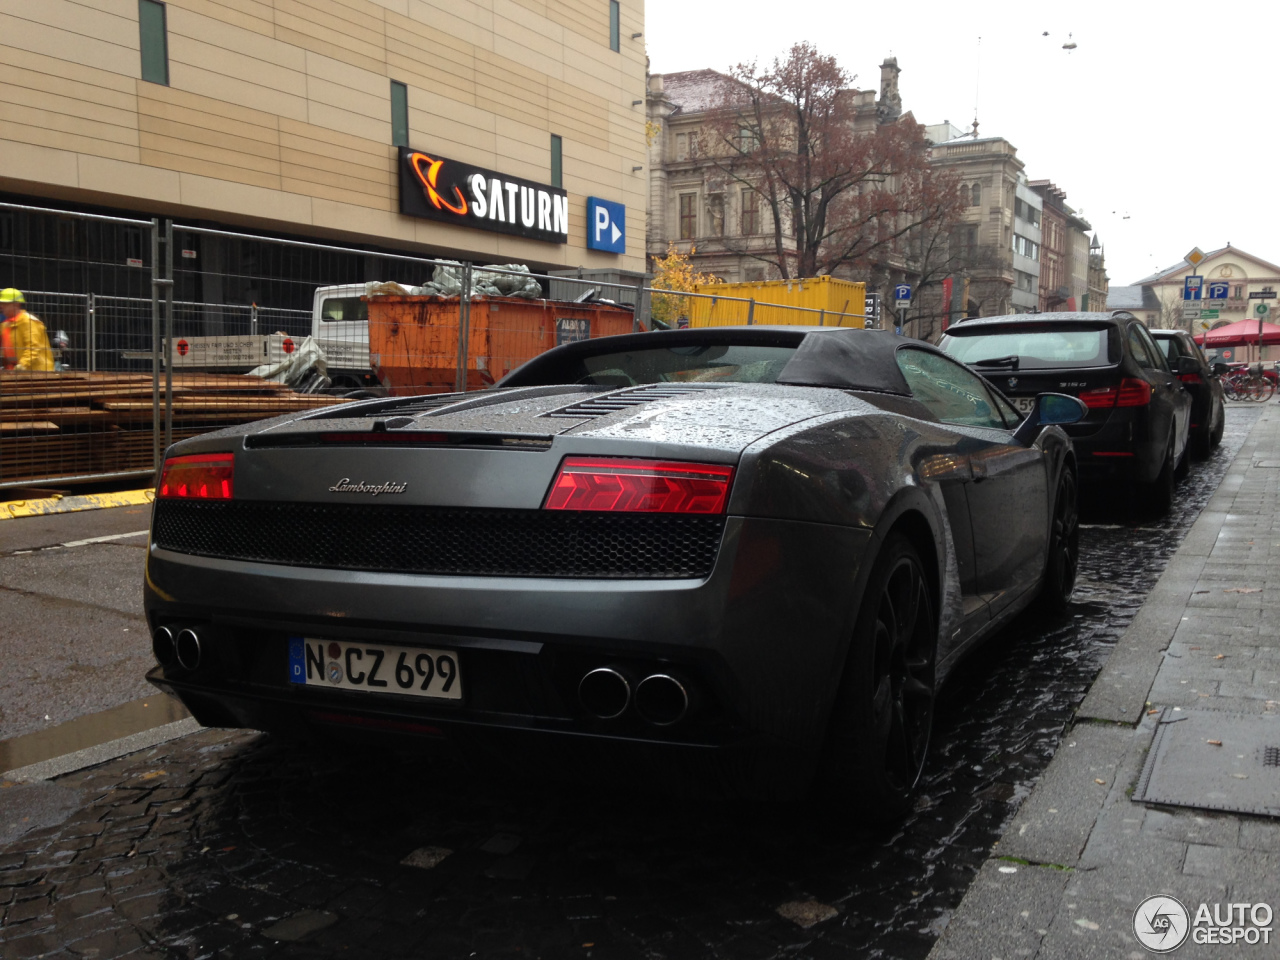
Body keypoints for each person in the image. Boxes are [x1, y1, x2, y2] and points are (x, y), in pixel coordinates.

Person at [0, 288, 55, 371]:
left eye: (5, 303)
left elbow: (33, 348)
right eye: (1, 303)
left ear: (16, 304)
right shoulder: (6, 324)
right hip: (15, 372)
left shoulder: (28, 321)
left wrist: (22, 365)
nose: (1, 306)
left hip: (37, 372)